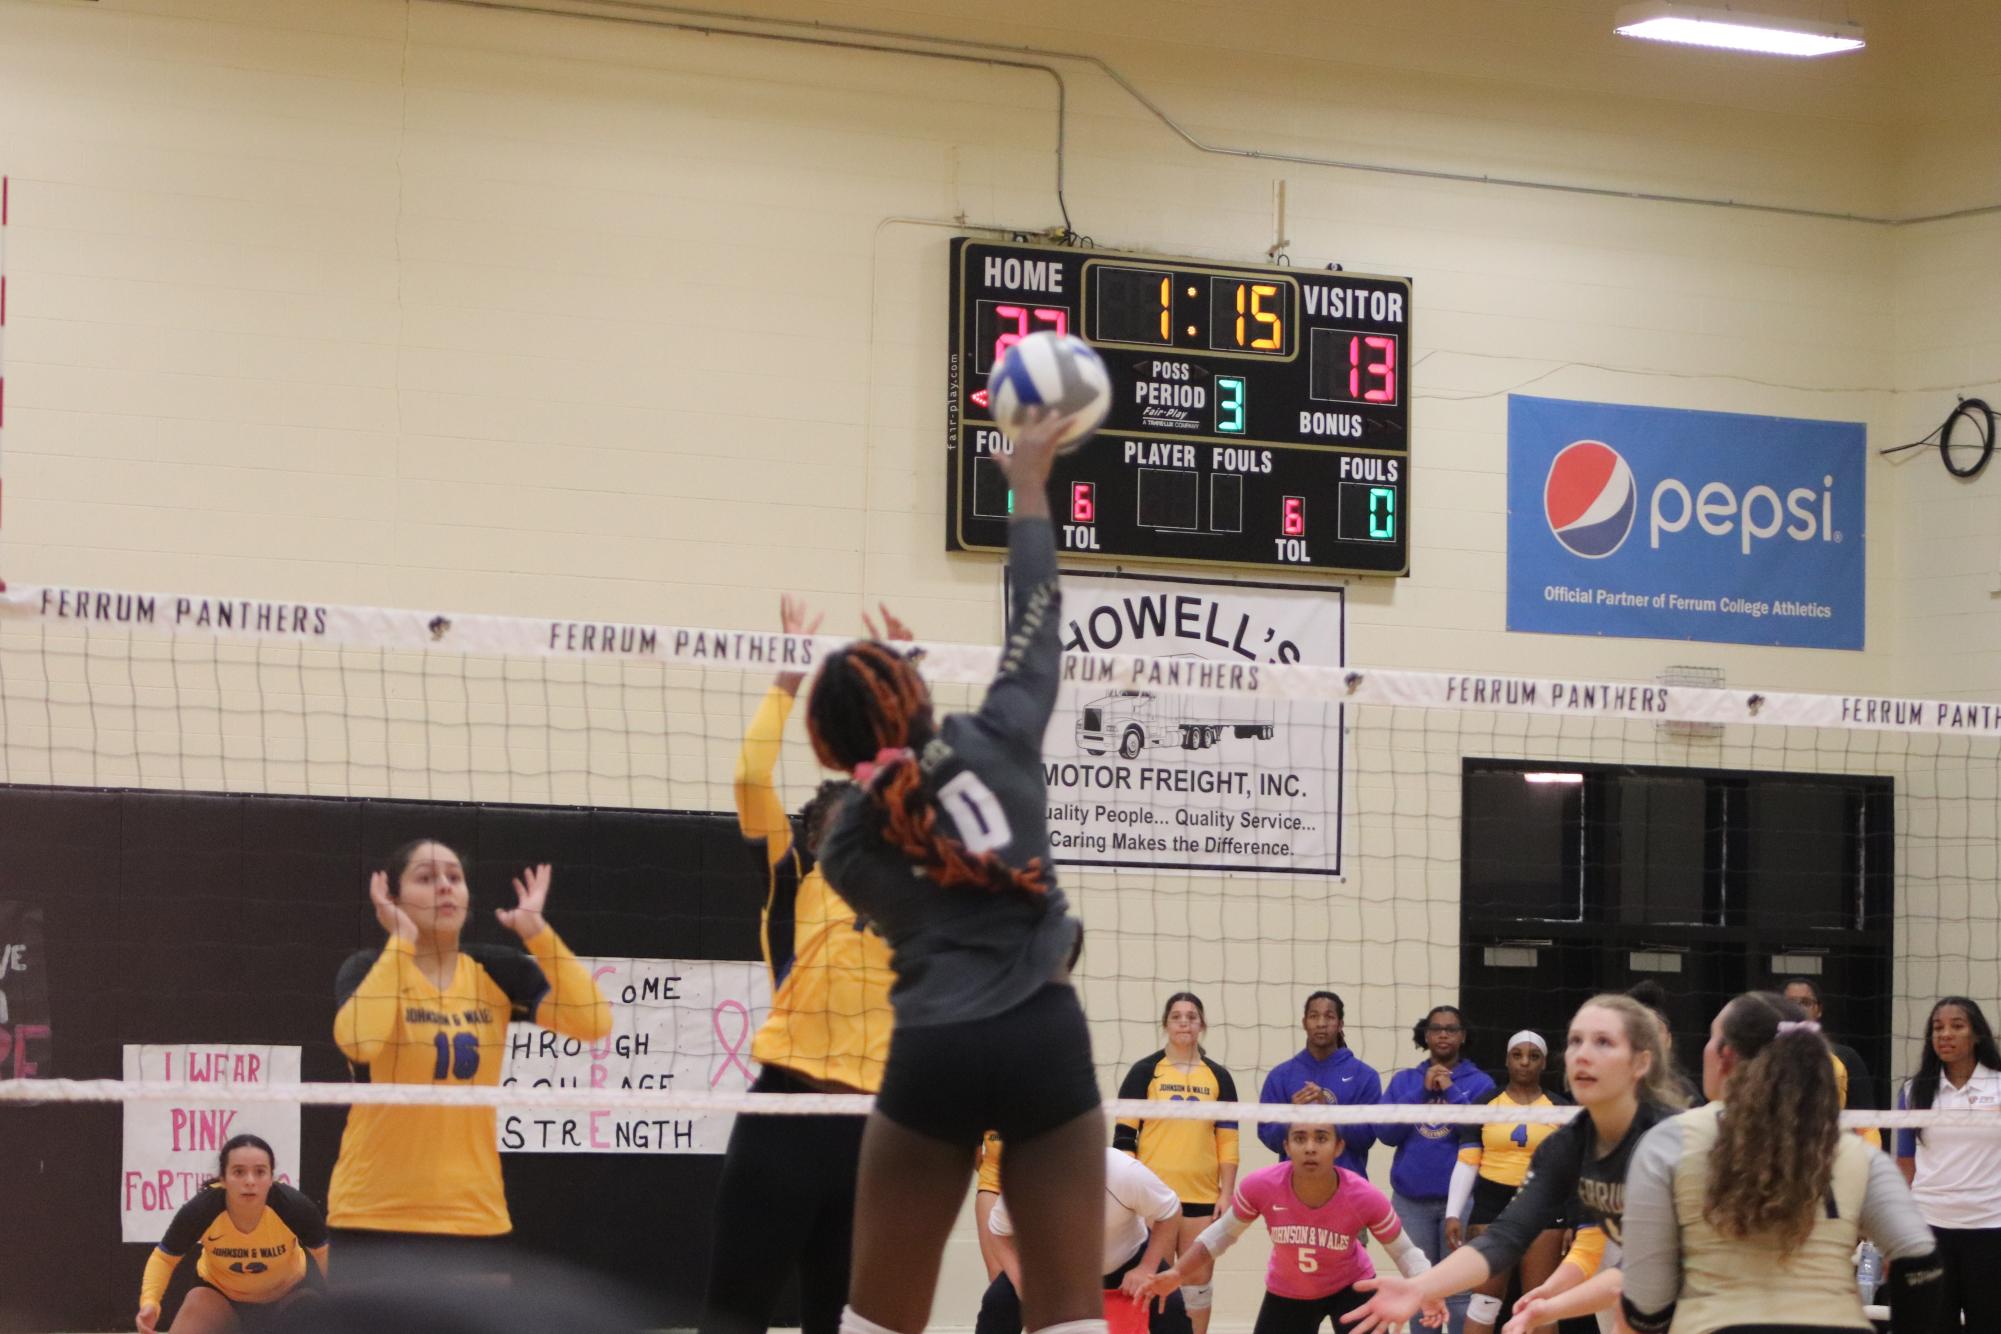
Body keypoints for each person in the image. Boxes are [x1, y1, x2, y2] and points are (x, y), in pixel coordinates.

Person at [807, 408, 1103, 1334]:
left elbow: (902, 810)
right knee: (1066, 1315)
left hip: (935, 1049)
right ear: (921, 696)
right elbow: (1038, 613)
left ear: (830, 750)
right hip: (1043, 1039)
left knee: (879, 1316)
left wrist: (903, 731)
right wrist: (1026, 483)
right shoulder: (1004, 730)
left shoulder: (847, 844)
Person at [701, 595, 899, 1334]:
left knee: (840, 1317)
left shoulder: (912, 896)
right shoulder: (793, 886)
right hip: (783, 1118)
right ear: (814, 839)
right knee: (732, 1313)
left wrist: (902, 705)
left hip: (873, 1136)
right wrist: (786, 683)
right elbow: (751, 782)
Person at [328, 840, 612, 1280]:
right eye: (426, 878)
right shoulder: (369, 968)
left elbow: (593, 1021)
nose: (445, 887)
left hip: (472, 1213)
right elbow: (359, 1044)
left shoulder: (493, 971)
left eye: (454, 878)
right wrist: (400, 942)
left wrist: (537, 932)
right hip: (373, 1215)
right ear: (394, 898)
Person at [1342, 994, 1688, 1334]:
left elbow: (1647, 1269)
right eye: (1575, 1041)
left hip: (1711, 1298)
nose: (1583, 1054)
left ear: (1641, 1063)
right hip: (1641, 1294)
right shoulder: (1567, 1145)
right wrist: (1422, 1287)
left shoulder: (1672, 1140)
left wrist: (1552, 1304)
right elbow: (1509, 1236)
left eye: (1603, 1042)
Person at [1617, 991, 1943, 1334]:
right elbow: (1921, 1259)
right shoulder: (1852, 1150)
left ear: (1725, 1056)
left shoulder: (1668, 1143)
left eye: (1712, 1039)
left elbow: (1647, 1302)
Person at [1142, 1122, 1443, 1334]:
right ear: (1286, 1146)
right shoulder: (1261, 1186)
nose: (1310, 1148)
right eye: (1300, 1138)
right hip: (1289, 1291)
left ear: (1339, 1146)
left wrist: (1426, 1289)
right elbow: (1222, 1235)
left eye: (1321, 1138)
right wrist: (1178, 1273)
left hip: (1351, 1287)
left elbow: (1404, 1251)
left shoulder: (1364, 1197)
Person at [1114, 992, 1242, 1334]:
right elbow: (1124, 1139)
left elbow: (1228, 1140)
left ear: (1202, 1025)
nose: (1184, 1022)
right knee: (1153, 1280)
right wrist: (1132, 1193)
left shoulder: (1218, 1077)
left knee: (1197, 1283)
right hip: (1153, 1199)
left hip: (1201, 1198)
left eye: (1191, 1016)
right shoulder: (1145, 1072)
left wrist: (1226, 1193)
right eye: (1176, 1016)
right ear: (1166, 1024)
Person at [979, 1147, 1192, 1334]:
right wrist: (1020, 1280)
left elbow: (1170, 1211)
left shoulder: (1122, 1172)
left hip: (1126, 1259)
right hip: (1049, 1267)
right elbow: (998, 1231)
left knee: (1170, 1306)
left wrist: (1146, 1267)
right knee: (998, 1304)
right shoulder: (1024, 1180)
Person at [1378, 1005, 1496, 1334]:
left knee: (1459, 1294)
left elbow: (1483, 1133)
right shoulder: (1405, 1081)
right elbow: (1385, 1134)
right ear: (1426, 1035)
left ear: (1463, 1036)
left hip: (1461, 1204)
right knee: (1420, 1291)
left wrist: (1451, 1092)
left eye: (1451, 1029)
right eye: (1437, 1028)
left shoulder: (1480, 1082)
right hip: (1410, 1203)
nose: (1444, 1034)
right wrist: (1421, 1093)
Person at [136, 1134, 328, 1333]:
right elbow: (164, 1258)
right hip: (221, 1299)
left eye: (260, 1172)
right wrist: (150, 1302)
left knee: (314, 1317)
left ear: (271, 1178)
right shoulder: (203, 1209)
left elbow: (324, 1254)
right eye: (239, 1172)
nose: (250, 1181)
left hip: (289, 1297)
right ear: (224, 1179)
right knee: (194, 1309)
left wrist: (345, 1305)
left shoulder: (293, 1206)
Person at [1442, 1032, 1566, 1334]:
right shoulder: (1485, 1104)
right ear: (1507, 1059)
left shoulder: (1562, 1108)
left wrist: (1575, 1221)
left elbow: (1571, 1170)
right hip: (1492, 1206)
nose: (1525, 1062)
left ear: (1544, 1062)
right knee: (1484, 1302)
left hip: (1544, 1208)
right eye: (1517, 1055)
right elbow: (1468, 1161)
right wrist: (1453, 1212)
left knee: (1540, 1303)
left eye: (1533, 1056)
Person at [1893, 995, 2001, 1333]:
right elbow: (1905, 1163)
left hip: (1990, 1227)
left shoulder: (1998, 1084)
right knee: (1932, 1325)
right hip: (1930, 1228)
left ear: (1977, 1034)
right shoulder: (1914, 1091)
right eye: (1938, 1028)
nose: (1945, 1034)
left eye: (1957, 1026)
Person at [1259, 992, 1381, 1177]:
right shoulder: (1281, 1075)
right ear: (1304, 1023)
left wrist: (1329, 1112)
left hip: (1347, 1189)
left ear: (1340, 1024)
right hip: (1294, 1187)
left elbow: (1366, 1139)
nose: (1321, 1023)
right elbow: (1269, 1138)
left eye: (1329, 1016)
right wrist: (1292, 1114)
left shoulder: (1365, 1076)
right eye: (1314, 1016)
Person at [1780, 977, 1882, 1151]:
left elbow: (1867, 1123)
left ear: (1818, 1009)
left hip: (1831, 1155)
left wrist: (1869, 1165)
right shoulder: (1764, 1057)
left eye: (1805, 1002)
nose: (1798, 1008)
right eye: (1791, 1002)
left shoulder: (1846, 1057)